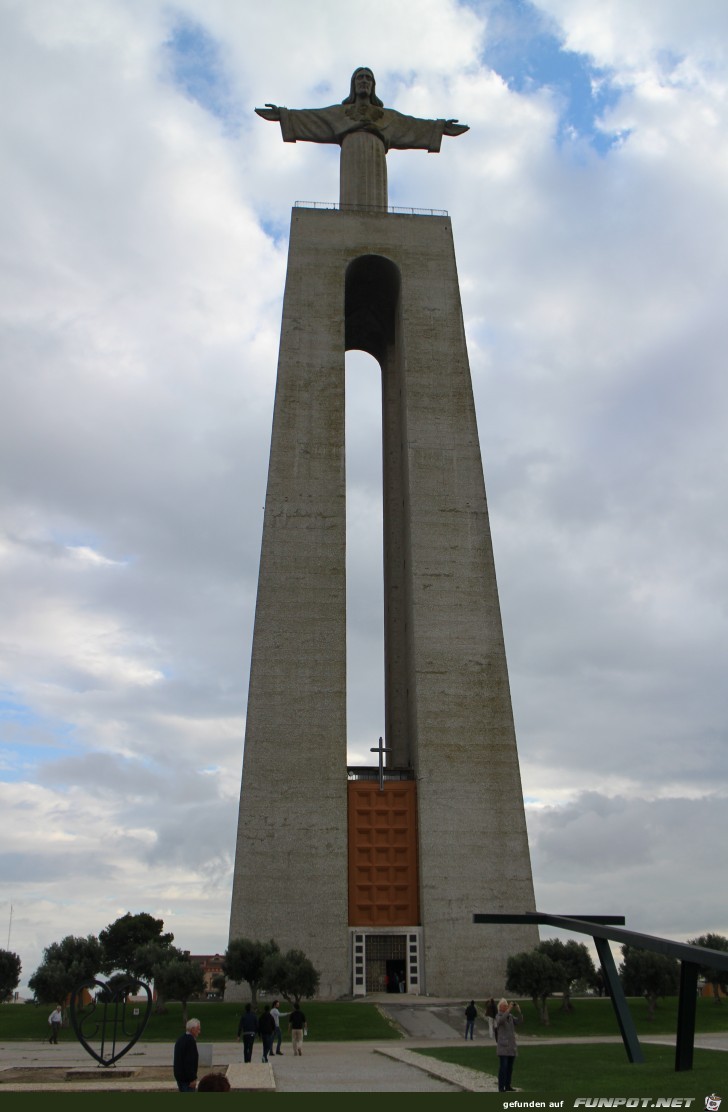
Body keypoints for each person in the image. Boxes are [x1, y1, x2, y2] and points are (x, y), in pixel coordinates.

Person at [494, 998, 522, 1092]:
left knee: (510, 1068)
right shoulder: (498, 1015)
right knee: (503, 1067)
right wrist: (509, 1009)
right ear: (500, 1007)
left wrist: (518, 1011)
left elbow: (519, 1022)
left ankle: (508, 1085)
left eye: (507, 1005)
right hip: (503, 1047)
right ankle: (501, 1087)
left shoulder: (510, 1016)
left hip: (511, 1046)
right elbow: (501, 1021)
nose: (506, 1006)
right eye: (504, 1005)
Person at [173, 1017, 201, 1092]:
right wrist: (192, 1079)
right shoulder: (190, 1041)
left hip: (180, 1078)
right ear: (192, 1029)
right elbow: (189, 1062)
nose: (199, 1032)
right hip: (187, 1081)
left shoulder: (180, 1039)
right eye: (198, 1029)